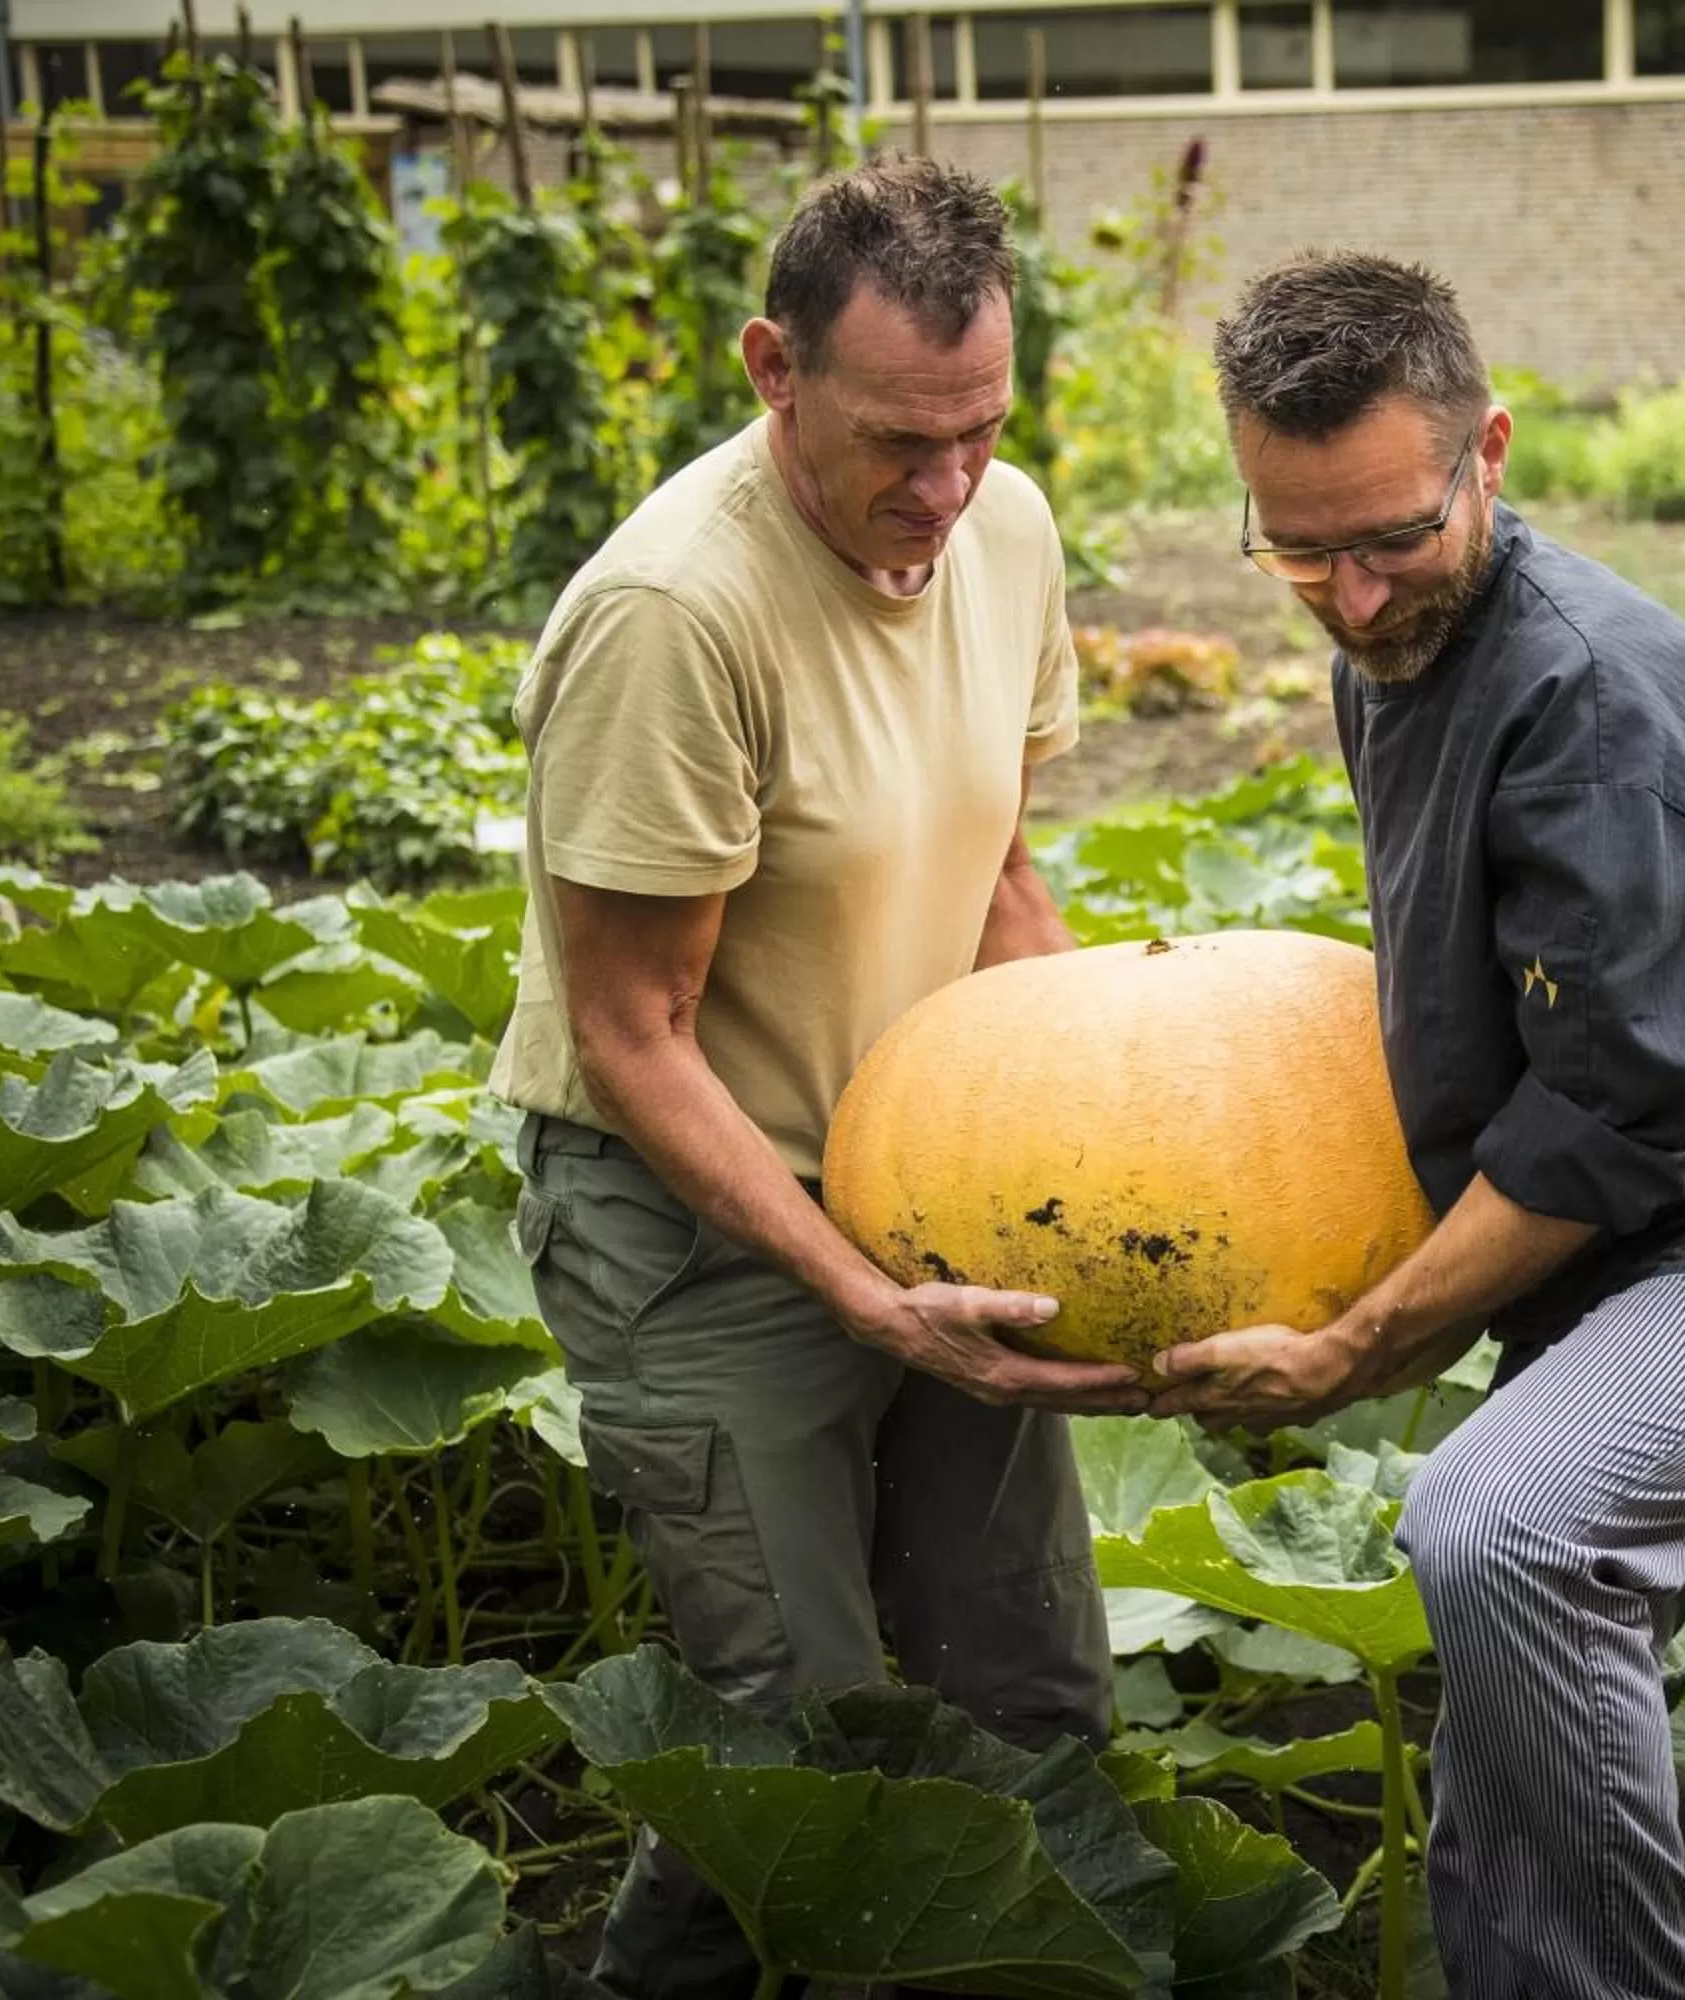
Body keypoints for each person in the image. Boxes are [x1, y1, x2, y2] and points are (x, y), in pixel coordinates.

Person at [1152, 252, 1685, 2000]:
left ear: (1490, 451)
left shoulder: (1595, 709)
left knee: (1502, 1529)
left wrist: (1360, 1344)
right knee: (1520, 1683)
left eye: (1393, 538)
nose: (1355, 598)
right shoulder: (1399, 648)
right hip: (1610, 1252)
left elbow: (1608, 1111)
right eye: (1299, 551)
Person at [489, 157, 1150, 2000]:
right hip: (694, 1216)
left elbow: (1000, 876)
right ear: (774, 368)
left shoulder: (1004, 530)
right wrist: (859, 1296)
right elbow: (634, 1034)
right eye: (899, 441)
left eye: (982, 429)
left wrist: (1126, 1132)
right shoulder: (671, 616)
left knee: (1027, 1694)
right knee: (798, 1741)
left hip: (937, 1173)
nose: (946, 488)